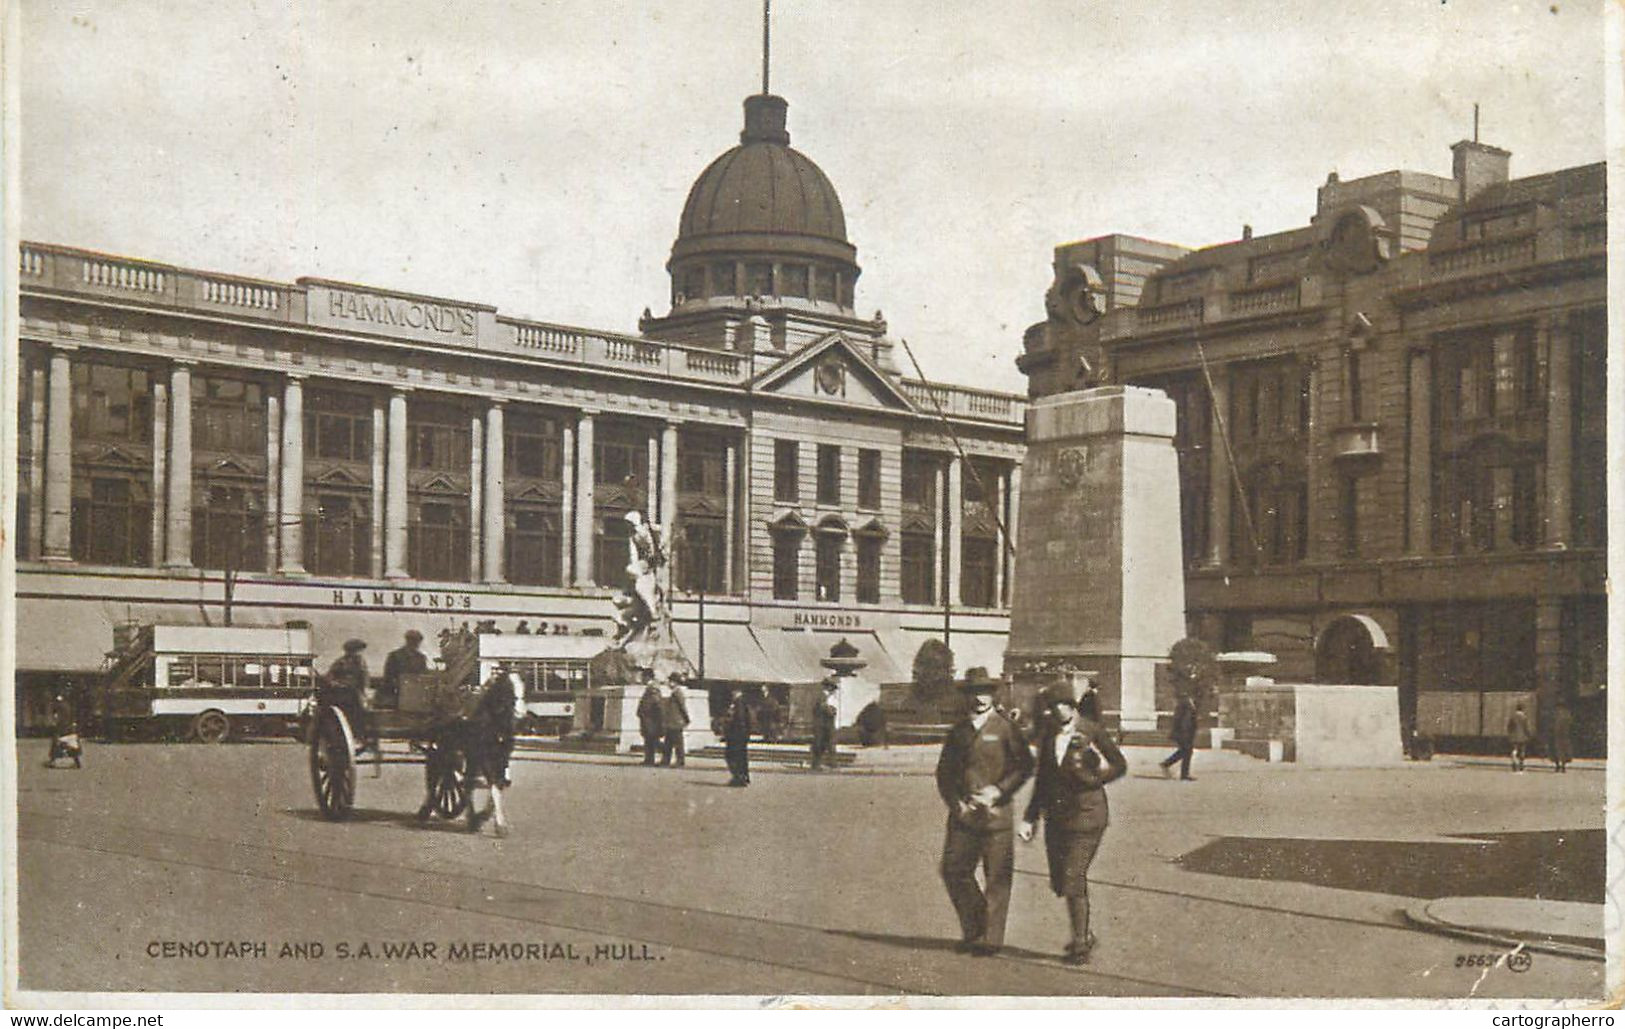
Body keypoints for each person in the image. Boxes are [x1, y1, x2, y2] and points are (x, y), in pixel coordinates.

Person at [1019, 680, 1128, 964]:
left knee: (1072, 875)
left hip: (1088, 816)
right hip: (1057, 817)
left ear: (1073, 706)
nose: (1060, 711)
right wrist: (1030, 818)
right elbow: (1042, 779)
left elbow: (1119, 764)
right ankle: (1084, 934)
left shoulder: (1091, 730)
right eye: (1054, 706)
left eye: (1065, 705)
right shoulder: (1048, 735)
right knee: (1061, 880)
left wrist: (1096, 775)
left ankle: (1080, 942)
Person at [934, 667, 1034, 957]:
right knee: (954, 871)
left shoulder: (1005, 728)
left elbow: (1024, 766)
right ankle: (976, 926)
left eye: (985, 692)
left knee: (997, 878)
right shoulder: (958, 732)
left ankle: (990, 939)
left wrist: (999, 792)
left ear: (993, 694)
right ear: (967, 696)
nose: (980, 698)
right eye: (975, 692)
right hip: (964, 817)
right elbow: (944, 774)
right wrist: (958, 804)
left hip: (996, 817)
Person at [465, 664, 518, 836]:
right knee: (494, 778)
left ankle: (488, 815)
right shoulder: (495, 688)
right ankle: (498, 818)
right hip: (488, 736)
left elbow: (505, 709)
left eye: (499, 670)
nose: (496, 673)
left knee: (497, 778)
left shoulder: (502, 687)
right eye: (494, 669)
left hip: (497, 734)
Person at [323, 638, 371, 744]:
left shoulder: (361, 662)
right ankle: (354, 733)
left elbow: (365, 679)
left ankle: (362, 733)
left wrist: (365, 692)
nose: (358, 653)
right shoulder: (341, 662)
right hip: (342, 694)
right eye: (356, 650)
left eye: (359, 651)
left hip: (356, 693)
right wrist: (338, 684)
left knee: (364, 709)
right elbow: (329, 678)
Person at [380, 629, 428, 709]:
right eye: (412, 640)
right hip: (397, 694)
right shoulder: (395, 656)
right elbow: (388, 676)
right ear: (407, 640)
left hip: (415, 694)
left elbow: (423, 674)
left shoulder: (421, 658)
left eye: (417, 641)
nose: (415, 643)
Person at [1159, 692, 1199, 781]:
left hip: (1185, 733)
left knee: (1185, 751)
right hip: (1183, 733)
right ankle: (1183, 774)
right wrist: (1185, 733)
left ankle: (1167, 764)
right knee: (1187, 751)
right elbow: (1184, 720)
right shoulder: (1185, 704)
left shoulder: (1188, 703)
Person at [722, 686, 754, 787]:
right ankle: (744, 776)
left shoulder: (738, 703)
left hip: (736, 735)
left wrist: (731, 730)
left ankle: (738, 777)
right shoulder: (743, 702)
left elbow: (738, 719)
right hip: (741, 734)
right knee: (741, 756)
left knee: (732, 756)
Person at [44, 689, 83, 769]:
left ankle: (53, 760)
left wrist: (56, 723)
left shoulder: (60, 705)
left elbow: (59, 717)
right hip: (69, 727)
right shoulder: (67, 705)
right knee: (72, 744)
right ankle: (77, 762)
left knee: (57, 743)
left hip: (63, 727)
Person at [810, 677, 838, 771]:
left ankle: (831, 763)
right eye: (832, 688)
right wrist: (832, 711)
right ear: (828, 687)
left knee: (828, 744)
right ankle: (816, 764)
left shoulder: (827, 698)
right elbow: (824, 709)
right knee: (819, 744)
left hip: (826, 725)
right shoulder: (821, 697)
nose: (833, 691)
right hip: (821, 725)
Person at [662, 678, 691, 767]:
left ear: (675, 682)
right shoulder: (674, 692)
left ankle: (680, 761)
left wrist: (686, 719)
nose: (669, 683)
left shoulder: (678, 693)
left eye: (671, 681)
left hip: (676, 722)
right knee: (668, 742)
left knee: (678, 743)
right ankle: (666, 760)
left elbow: (682, 707)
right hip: (672, 722)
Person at [637, 679, 666, 766]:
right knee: (649, 741)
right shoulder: (650, 694)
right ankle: (649, 759)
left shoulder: (653, 695)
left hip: (652, 722)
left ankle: (653, 758)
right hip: (648, 721)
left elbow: (658, 710)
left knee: (652, 741)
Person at [1507, 702, 1532, 773]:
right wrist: (1529, 735)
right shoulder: (1524, 717)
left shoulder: (1512, 716)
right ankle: (1521, 765)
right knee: (1522, 751)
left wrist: (1510, 734)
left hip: (1514, 736)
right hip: (1522, 736)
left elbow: (1509, 727)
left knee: (1514, 750)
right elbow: (1526, 727)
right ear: (1522, 709)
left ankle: (1514, 763)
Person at [1550, 701, 1574, 773]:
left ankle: (1558, 766)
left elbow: (1552, 724)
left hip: (1556, 734)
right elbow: (1570, 724)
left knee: (1556, 750)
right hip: (1565, 735)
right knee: (1564, 750)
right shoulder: (1567, 714)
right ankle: (1563, 766)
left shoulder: (1554, 713)